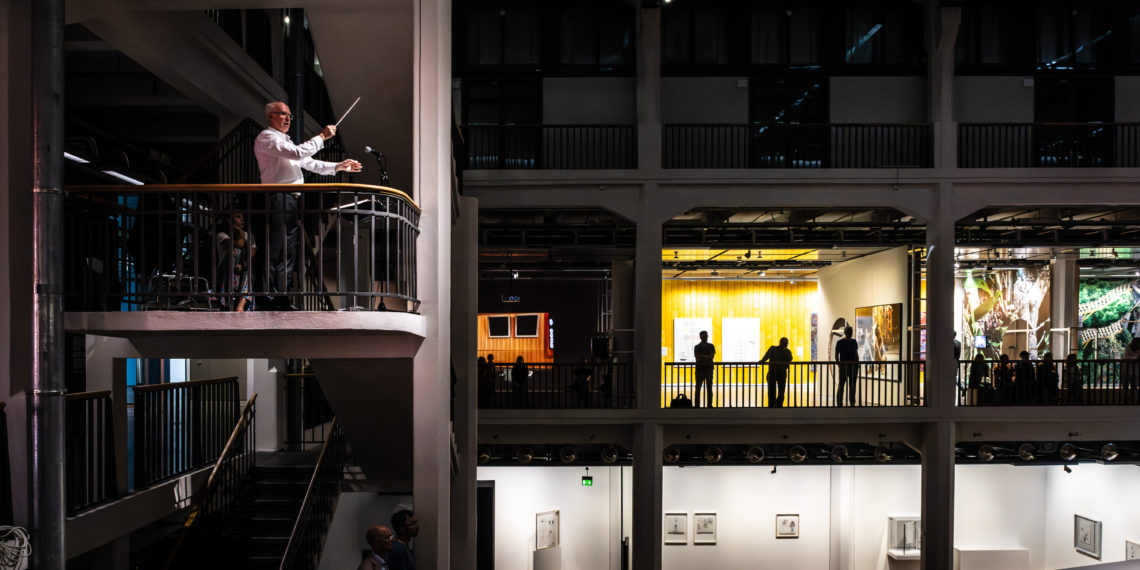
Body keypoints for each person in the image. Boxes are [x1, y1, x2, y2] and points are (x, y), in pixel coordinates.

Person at [254, 101, 362, 304]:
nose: (287, 119)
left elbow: (309, 163)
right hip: (276, 197)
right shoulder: (266, 137)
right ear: (270, 116)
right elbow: (297, 154)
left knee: (289, 251)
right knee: (275, 248)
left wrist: (339, 166)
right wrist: (322, 137)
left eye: (289, 116)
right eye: (282, 114)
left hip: (290, 199)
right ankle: (267, 297)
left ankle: (281, 297)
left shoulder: (285, 142)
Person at [215, 211, 256, 311]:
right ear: (229, 220)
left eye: (242, 217)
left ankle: (241, 305)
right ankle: (227, 302)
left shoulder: (249, 236)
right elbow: (237, 244)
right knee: (234, 253)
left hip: (242, 271)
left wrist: (243, 264)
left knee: (248, 271)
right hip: (227, 272)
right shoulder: (222, 235)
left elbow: (252, 253)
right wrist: (238, 231)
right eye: (238, 217)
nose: (242, 220)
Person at [760, 337, 793, 407]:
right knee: (778, 390)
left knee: (778, 391)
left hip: (775, 372)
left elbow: (766, 357)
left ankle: (774, 405)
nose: (785, 345)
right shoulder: (785, 351)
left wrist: (762, 361)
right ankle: (777, 405)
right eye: (785, 344)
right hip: (777, 372)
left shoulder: (774, 349)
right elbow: (789, 359)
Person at [835, 326, 859, 406]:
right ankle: (851, 402)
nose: (851, 333)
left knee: (842, 385)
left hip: (844, 366)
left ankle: (839, 402)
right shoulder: (853, 342)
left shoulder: (840, 343)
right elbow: (856, 354)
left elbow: (836, 356)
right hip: (851, 366)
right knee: (851, 385)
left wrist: (840, 365)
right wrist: (857, 364)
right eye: (850, 332)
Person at [693, 331, 716, 408]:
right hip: (704, 369)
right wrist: (707, 357)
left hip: (703, 369)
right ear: (700, 337)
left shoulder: (697, 347)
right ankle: (703, 405)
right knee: (700, 388)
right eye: (704, 336)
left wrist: (702, 356)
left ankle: (702, 405)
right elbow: (698, 357)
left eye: (706, 336)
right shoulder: (710, 346)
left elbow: (711, 357)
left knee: (706, 388)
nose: (705, 337)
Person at [1123, 338, 1140, 404]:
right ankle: (1127, 402)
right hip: (1129, 371)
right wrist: (1137, 355)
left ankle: (1130, 402)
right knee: (1127, 388)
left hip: (1134, 372)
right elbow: (1127, 357)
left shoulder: (1129, 348)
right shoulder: (1128, 348)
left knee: (1133, 388)